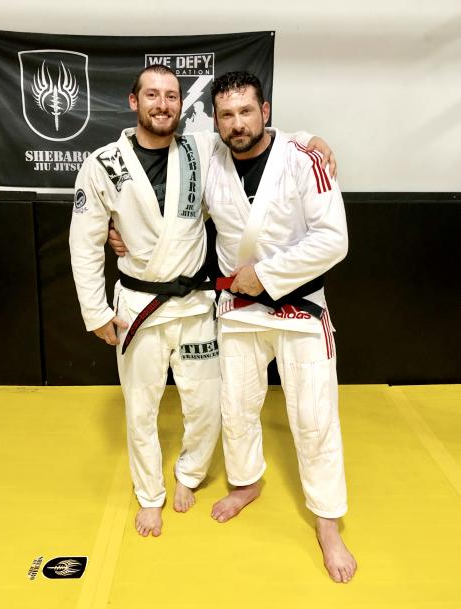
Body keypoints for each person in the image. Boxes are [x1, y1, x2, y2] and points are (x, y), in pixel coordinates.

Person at [71, 65, 333, 540]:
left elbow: (261, 137)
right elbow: (84, 242)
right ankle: (149, 494)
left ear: (183, 105)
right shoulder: (102, 164)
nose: (162, 104)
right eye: (152, 95)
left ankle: (189, 474)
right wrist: (96, 311)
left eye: (171, 96)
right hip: (138, 306)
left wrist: (311, 138)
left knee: (209, 405)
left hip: (194, 304)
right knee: (141, 408)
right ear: (134, 101)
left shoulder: (200, 150)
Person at [205, 71, 357, 584]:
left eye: (246, 111)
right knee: (236, 408)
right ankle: (246, 482)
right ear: (216, 121)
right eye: (227, 114)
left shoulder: (302, 158)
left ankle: (328, 521)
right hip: (238, 310)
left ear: (265, 112)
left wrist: (266, 275)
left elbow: (333, 240)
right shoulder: (209, 159)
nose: (237, 123)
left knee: (314, 418)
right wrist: (120, 233)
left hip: (299, 309)